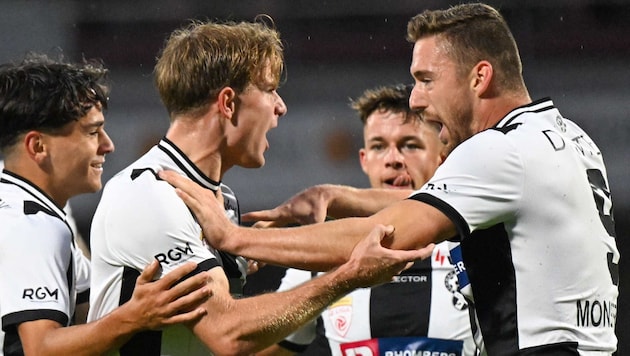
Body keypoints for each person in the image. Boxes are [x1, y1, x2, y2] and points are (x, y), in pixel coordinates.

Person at [160, 3, 620, 355]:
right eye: (379, 147)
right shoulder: (568, 137)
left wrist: (232, 237)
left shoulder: (498, 150)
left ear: (480, 77)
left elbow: (379, 238)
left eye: (426, 79)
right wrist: (333, 194)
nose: (416, 100)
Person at [87, 19, 431, 356]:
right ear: (228, 103)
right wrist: (348, 275)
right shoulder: (151, 194)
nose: (280, 106)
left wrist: (330, 196)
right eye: (269, 90)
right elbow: (228, 335)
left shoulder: (221, 200)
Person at [0, 53, 213, 356]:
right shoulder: (34, 225)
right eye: (91, 132)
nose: (107, 145)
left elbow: (95, 310)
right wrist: (133, 317)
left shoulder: (17, 207)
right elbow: (41, 349)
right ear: (38, 146)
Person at [258, 84, 475, 356]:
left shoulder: (472, 245)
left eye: (410, 145)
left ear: (442, 158)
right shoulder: (326, 255)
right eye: (378, 146)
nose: (392, 160)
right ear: (364, 160)